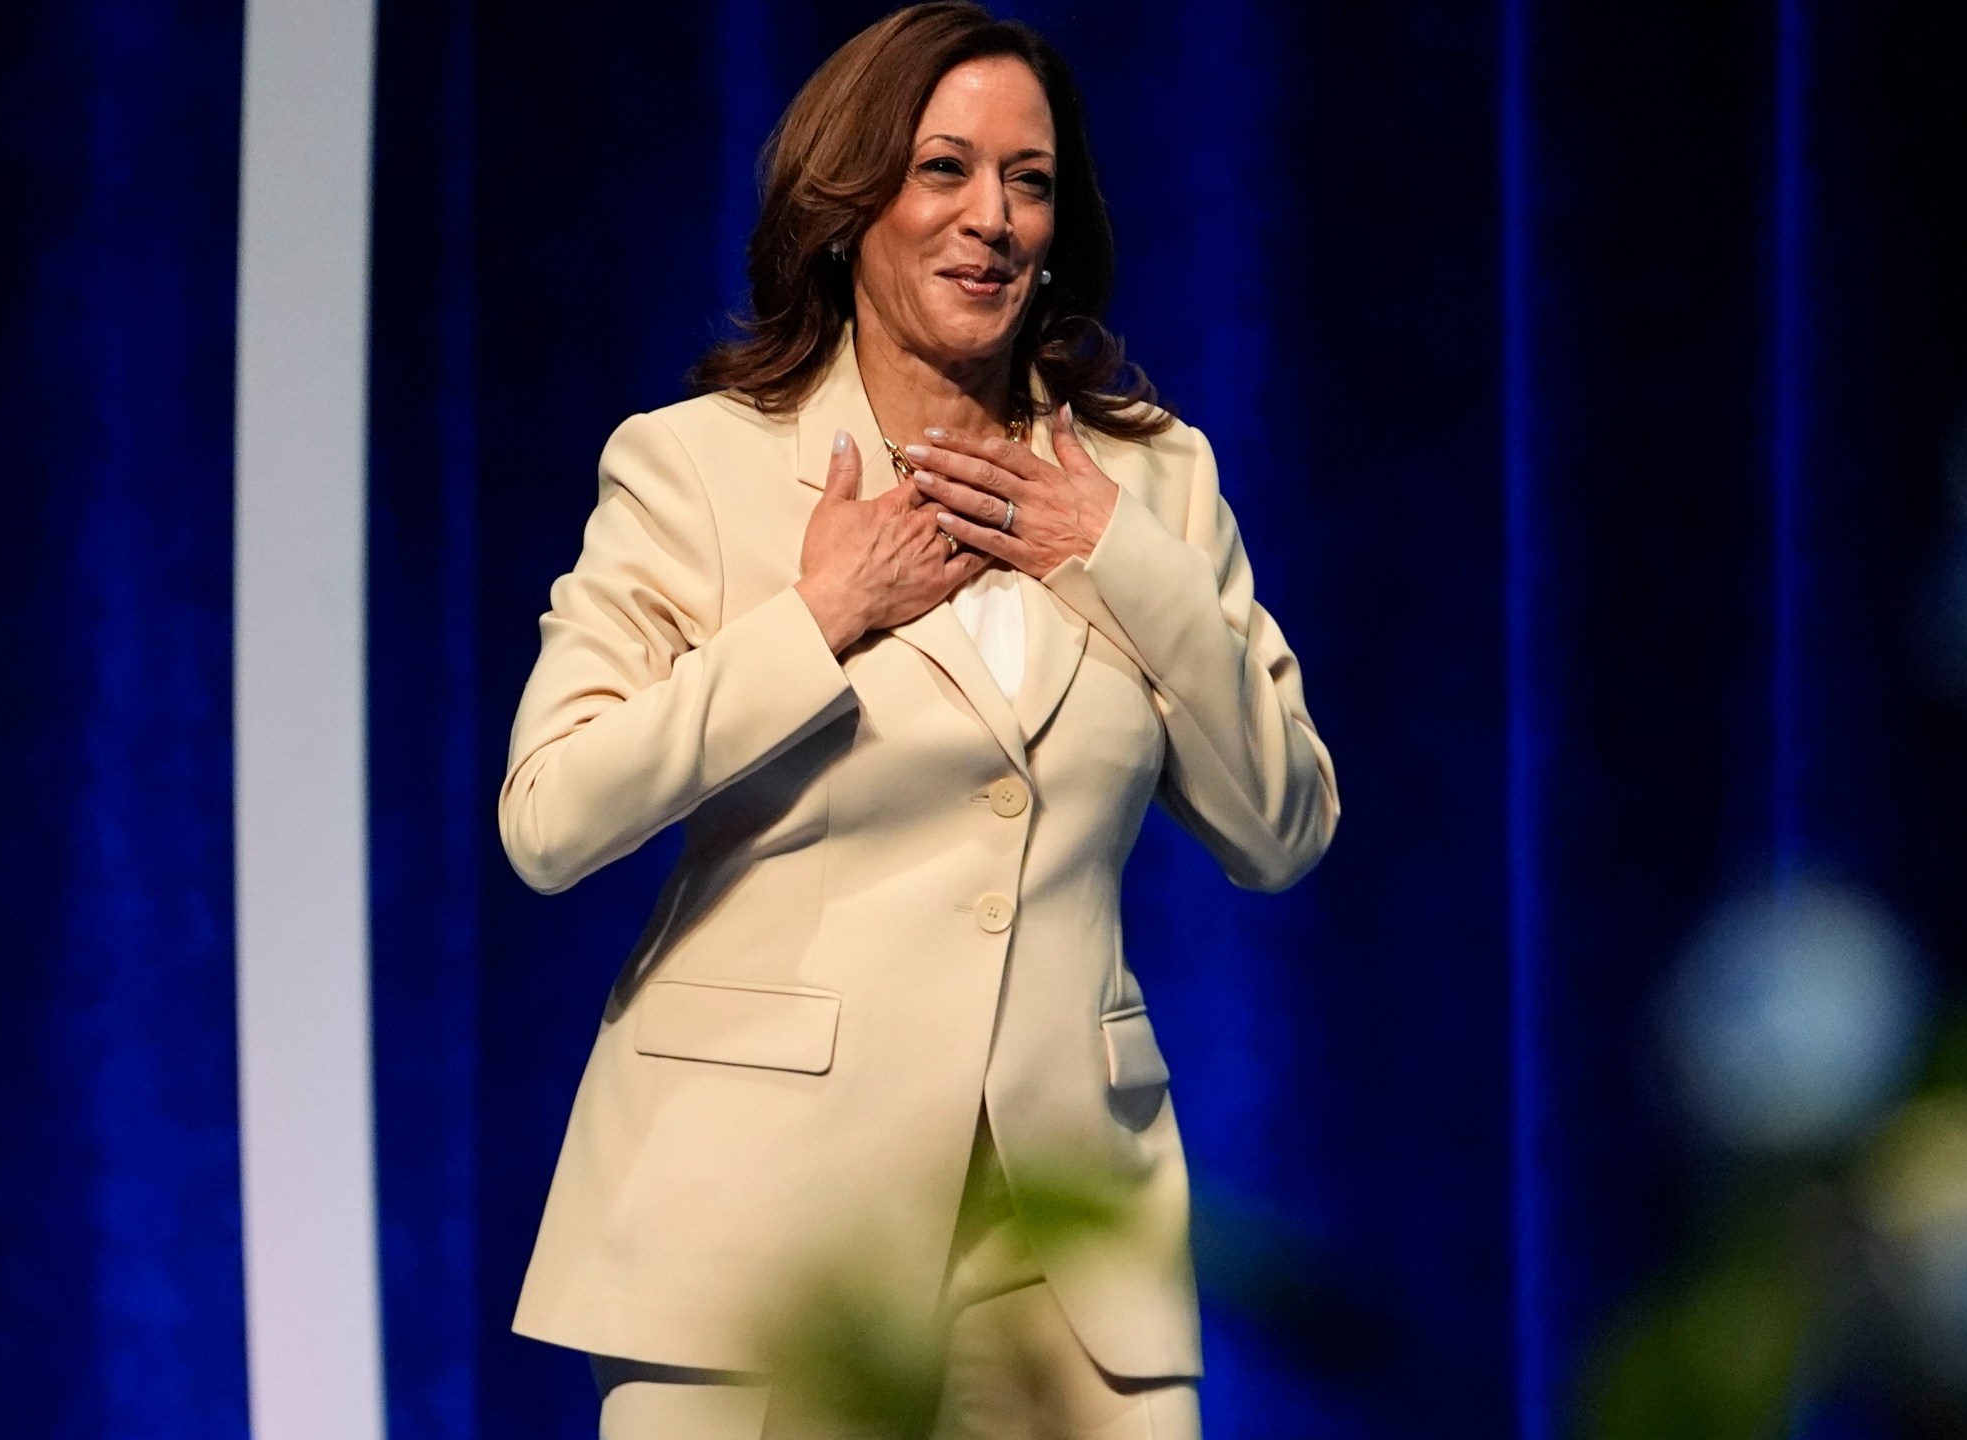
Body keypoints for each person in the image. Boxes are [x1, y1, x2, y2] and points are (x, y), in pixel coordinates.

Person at [494, 5, 1339, 1436]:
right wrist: (816, 616)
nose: (991, 219)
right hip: (760, 1239)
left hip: (1062, 1249)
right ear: (849, 204)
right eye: (942, 170)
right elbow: (550, 816)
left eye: (1028, 179)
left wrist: (1112, 550)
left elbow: (1281, 828)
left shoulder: (1155, 478)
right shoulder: (698, 468)